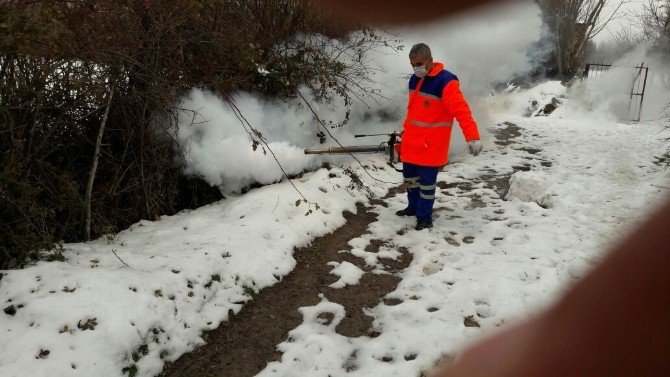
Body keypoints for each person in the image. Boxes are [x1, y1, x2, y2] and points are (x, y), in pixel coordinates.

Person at [397, 43, 483, 230]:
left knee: (427, 185)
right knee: (410, 179)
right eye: (412, 64)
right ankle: (412, 208)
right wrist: (404, 132)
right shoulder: (414, 80)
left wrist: (472, 137)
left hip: (431, 145)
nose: (415, 68)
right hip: (412, 142)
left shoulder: (446, 82)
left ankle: (424, 218)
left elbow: (462, 111)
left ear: (430, 60)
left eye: (419, 63)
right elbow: (413, 112)